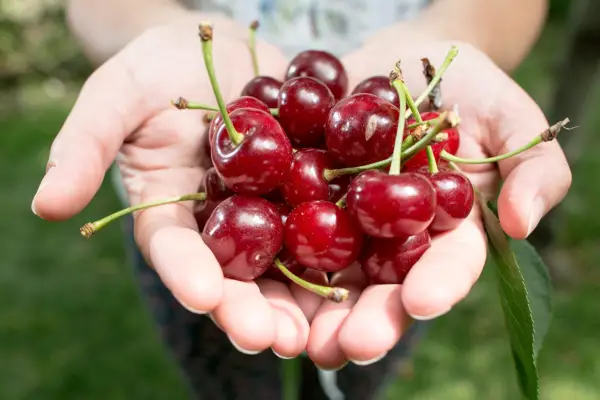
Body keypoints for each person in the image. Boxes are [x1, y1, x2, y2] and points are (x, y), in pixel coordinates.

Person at [32, 0, 571, 399]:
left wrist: (453, 32)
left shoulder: (393, 182)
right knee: (223, 362)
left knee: (364, 356)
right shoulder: (245, 156)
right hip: (187, 208)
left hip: (376, 257)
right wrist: (148, 31)